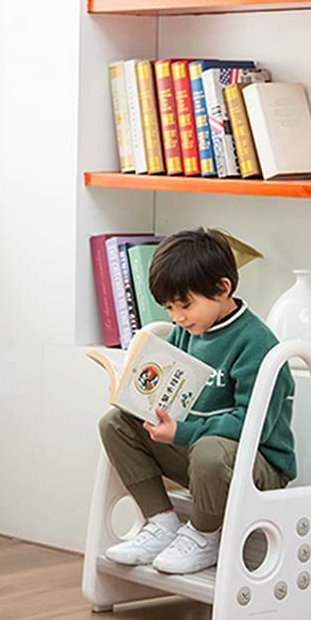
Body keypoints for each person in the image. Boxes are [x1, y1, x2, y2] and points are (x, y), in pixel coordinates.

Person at [98, 228, 295, 575]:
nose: (178, 317)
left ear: (222, 288)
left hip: (256, 468)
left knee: (208, 449)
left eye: (185, 305)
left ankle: (204, 536)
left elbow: (252, 426)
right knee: (114, 423)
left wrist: (183, 432)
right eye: (169, 308)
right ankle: (162, 523)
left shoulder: (257, 344)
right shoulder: (184, 333)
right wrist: (138, 400)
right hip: (202, 460)